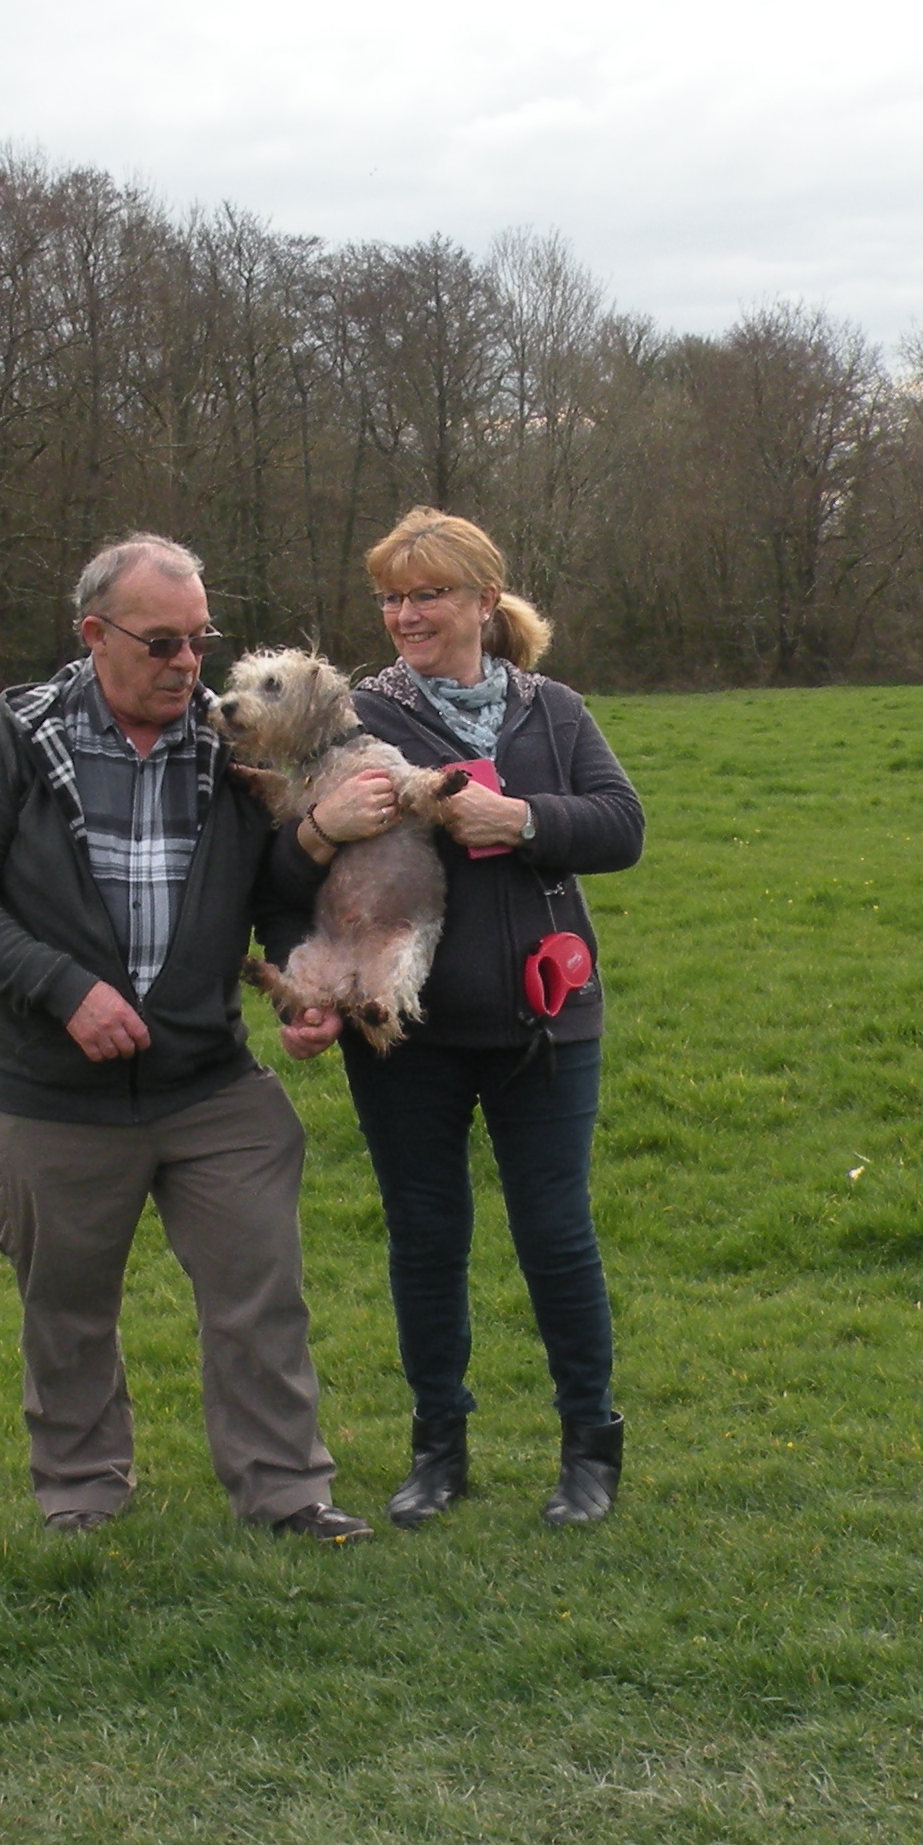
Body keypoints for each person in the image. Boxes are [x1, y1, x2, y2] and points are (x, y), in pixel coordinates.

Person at [0, 534, 370, 1542]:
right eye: (161, 642)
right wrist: (64, 990)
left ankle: (286, 1491)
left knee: (261, 1295)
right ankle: (81, 1493)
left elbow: (272, 898)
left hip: (209, 1086)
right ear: (94, 634)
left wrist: (309, 987)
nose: (186, 665)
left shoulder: (229, 752)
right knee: (67, 1310)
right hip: (55, 1093)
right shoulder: (19, 740)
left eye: (198, 641)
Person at [280, 507, 647, 1526]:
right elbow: (283, 851)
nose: (404, 614)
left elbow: (623, 827)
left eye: (427, 593)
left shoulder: (554, 711)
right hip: (407, 1031)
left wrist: (526, 820)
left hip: (545, 1018)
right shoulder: (358, 717)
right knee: (426, 1236)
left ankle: (590, 1449)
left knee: (556, 1234)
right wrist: (321, 828)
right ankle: (439, 1448)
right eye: (391, 596)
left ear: (485, 601)